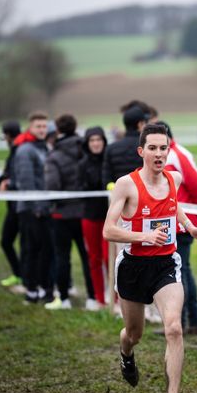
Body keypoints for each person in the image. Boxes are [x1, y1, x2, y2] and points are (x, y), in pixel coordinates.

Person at [103, 123, 197, 393]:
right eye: (153, 148)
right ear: (142, 151)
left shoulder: (174, 178)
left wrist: (189, 227)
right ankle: (126, 353)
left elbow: (175, 209)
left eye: (164, 148)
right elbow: (108, 230)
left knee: (174, 328)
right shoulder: (126, 185)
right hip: (133, 268)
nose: (159, 154)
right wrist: (145, 236)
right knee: (133, 333)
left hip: (165, 266)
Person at [159, 121, 197, 335]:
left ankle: (190, 323)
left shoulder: (177, 155)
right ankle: (180, 322)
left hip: (181, 226)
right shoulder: (169, 155)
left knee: (181, 273)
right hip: (169, 225)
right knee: (176, 273)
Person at [44, 114, 96, 310]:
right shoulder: (85, 151)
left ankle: (64, 299)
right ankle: (93, 298)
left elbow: (52, 186)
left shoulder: (53, 156)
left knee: (61, 257)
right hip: (84, 211)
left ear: (57, 130)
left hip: (61, 215)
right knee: (88, 257)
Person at [13, 111, 55, 304]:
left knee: (44, 250)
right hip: (30, 209)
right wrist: (37, 207)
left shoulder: (44, 147)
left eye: (44, 126)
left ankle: (42, 287)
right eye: (38, 126)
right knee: (32, 250)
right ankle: (31, 290)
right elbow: (26, 182)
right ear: (30, 127)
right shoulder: (25, 150)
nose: (41, 130)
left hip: (44, 208)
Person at [77, 126, 109, 308]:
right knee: (94, 259)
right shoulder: (82, 164)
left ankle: (116, 298)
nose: (96, 143)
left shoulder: (108, 160)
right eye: (92, 140)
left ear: (104, 141)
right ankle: (100, 299)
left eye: (99, 140)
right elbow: (78, 190)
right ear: (87, 143)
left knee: (108, 258)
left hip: (108, 217)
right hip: (89, 216)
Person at [102, 102, 150, 188]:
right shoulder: (148, 146)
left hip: (120, 197)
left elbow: (106, 180)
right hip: (143, 197)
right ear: (140, 124)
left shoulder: (110, 149)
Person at [0, 120, 22, 288]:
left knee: (7, 241)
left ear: (7, 135)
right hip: (14, 205)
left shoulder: (18, 150)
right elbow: (7, 173)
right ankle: (19, 274)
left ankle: (21, 275)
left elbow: (15, 175)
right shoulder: (15, 149)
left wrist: (8, 183)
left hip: (19, 206)